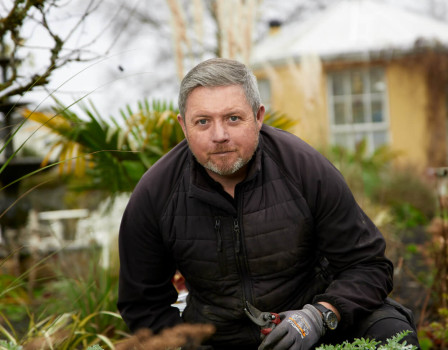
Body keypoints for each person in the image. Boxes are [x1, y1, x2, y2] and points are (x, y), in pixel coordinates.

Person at [117, 57, 420, 349]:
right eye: (203, 122)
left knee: (392, 332)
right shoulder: (156, 193)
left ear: (259, 116)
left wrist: (320, 316)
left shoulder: (304, 168)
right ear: (184, 126)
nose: (219, 135)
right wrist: (187, 345)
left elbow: (369, 265)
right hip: (218, 340)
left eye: (233, 118)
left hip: (318, 329)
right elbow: (141, 303)